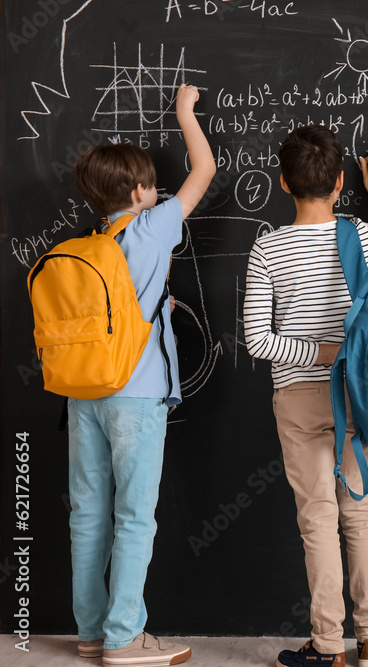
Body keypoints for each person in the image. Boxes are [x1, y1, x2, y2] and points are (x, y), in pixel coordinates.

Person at [243, 125, 368, 667]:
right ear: (340, 182)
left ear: (284, 182)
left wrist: (316, 353)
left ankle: (328, 645)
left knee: (317, 518)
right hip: (356, 395)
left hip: (298, 397)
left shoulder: (266, 247)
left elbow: (258, 341)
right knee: (361, 515)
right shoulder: (357, 232)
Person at [68, 84, 216, 666]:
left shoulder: (89, 242)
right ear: (138, 191)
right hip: (136, 395)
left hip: (84, 395)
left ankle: (89, 632)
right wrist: (184, 112)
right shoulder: (153, 228)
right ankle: (125, 638)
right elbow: (205, 167)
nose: (158, 190)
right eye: (152, 183)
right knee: (134, 517)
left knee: (87, 513)